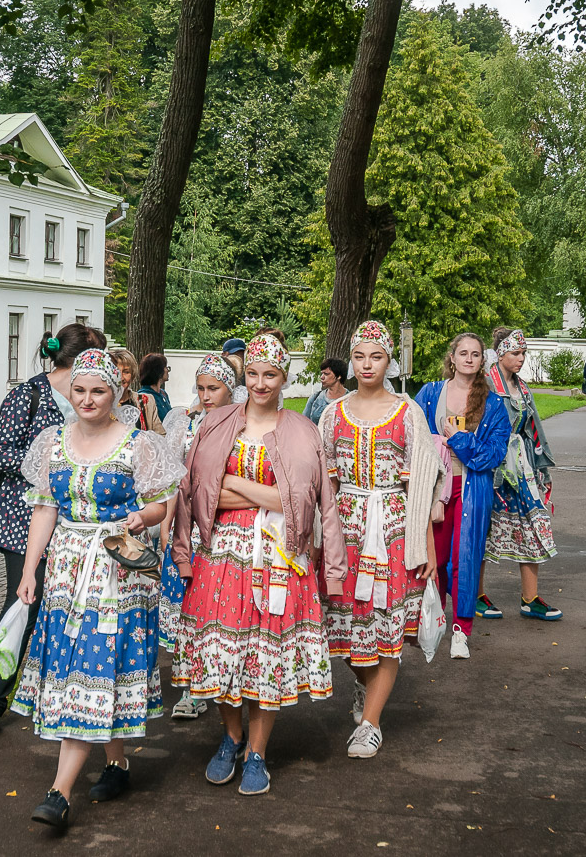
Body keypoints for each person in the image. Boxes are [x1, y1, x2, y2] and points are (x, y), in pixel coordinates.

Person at [11, 348, 184, 830]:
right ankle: (118, 763)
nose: (88, 399)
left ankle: (59, 792)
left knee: (96, 661)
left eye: (99, 390)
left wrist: (140, 516)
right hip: (66, 568)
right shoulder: (51, 442)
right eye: (80, 389)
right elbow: (44, 509)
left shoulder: (139, 444)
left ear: (117, 393)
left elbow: (159, 505)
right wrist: (30, 572)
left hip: (116, 570)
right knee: (82, 665)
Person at [172, 334, 347, 796]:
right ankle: (231, 737)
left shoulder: (302, 431)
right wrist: (268, 494)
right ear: (243, 374)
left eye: (270, 374)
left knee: (264, 653)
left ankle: (257, 752)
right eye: (253, 373)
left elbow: (305, 503)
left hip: (277, 556)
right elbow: (196, 491)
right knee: (222, 651)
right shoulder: (216, 423)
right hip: (219, 558)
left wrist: (235, 483)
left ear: (284, 377)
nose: (260, 382)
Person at [0, 322, 107, 738]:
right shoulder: (28, 394)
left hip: (80, 521)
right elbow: (0, 451)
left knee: (72, 605)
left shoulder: (96, 396)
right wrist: (49, 468)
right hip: (25, 518)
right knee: (25, 601)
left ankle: (58, 695)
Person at [318, 321, 444, 758]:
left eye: (376, 356)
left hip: (394, 531)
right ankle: (362, 682)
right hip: (346, 533)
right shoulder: (333, 413)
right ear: (350, 360)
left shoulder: (407, 411)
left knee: (387, 628)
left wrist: (425, 545)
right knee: (350, 629)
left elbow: (423, 484)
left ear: (389, 361)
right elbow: (322, 484)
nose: (367, 364)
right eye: (359, 356)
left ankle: (371, 724)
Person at [413, 332, 512, 660]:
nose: (469, 359)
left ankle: (461, 630)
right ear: (451, 358)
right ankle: (436, 616)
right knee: (435, 558)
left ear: (482, 361)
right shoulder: (429, 394)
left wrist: (459, 440)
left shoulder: (494, 404)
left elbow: (492, 456)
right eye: (463, 353)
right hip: (435, 490)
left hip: (472, 489)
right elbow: (413, 441)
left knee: (465, 559)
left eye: (475, 354)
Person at [157, 353, 237, 721]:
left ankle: (223, 676)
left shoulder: (240, 427)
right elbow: (176, 482)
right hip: (188, 529)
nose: (206, 395)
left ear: (229, 389)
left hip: (225, 528)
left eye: (214, 388)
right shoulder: (186, 428)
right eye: (201, 388)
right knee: (187, 608)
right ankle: (191, 688)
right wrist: (167, 524)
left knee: (216, 607)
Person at [481, 328, 562, 622]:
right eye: (516, 353)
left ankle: (530, 599)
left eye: (523, 353)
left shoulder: (523, 387)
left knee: (534, 524)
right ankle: (475, 595)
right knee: (484, 529)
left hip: (523, 467)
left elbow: (532, 428)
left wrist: (540, 466)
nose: (521, 359)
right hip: (493, 469)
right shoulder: (486, 384)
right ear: (501, 353)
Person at [109, 347, 158, 431]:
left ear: (133, 375)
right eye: (116, 371)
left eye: (126, 372)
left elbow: (159, 436)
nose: (121, 378)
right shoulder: (99, 404)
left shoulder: (146, 401)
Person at [303, 357, 349, 424]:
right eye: (322, 373)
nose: (322, 377)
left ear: (339, 376)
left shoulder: (350, 399)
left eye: (326, 374)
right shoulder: (315, 398)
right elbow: (304, 423)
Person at [138, 352, 173, 422]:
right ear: (158, 371)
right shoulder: (143, 397)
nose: (168, 371)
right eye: (166, 367)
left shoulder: (163, 393)